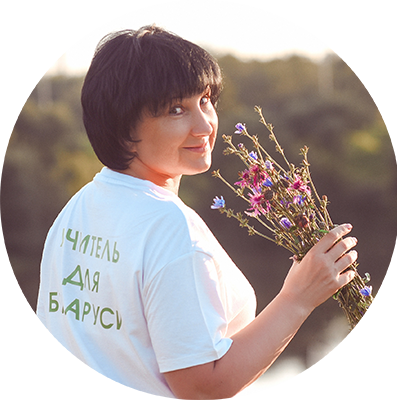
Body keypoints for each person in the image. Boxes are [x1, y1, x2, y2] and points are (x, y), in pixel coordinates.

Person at [36, 25, 358, 399]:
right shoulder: (169, 228)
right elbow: (202, 388)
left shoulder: (80, 205)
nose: (205, 125)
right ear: (123, 129)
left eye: (205, 100)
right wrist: (298, 298)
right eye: (176, 110)